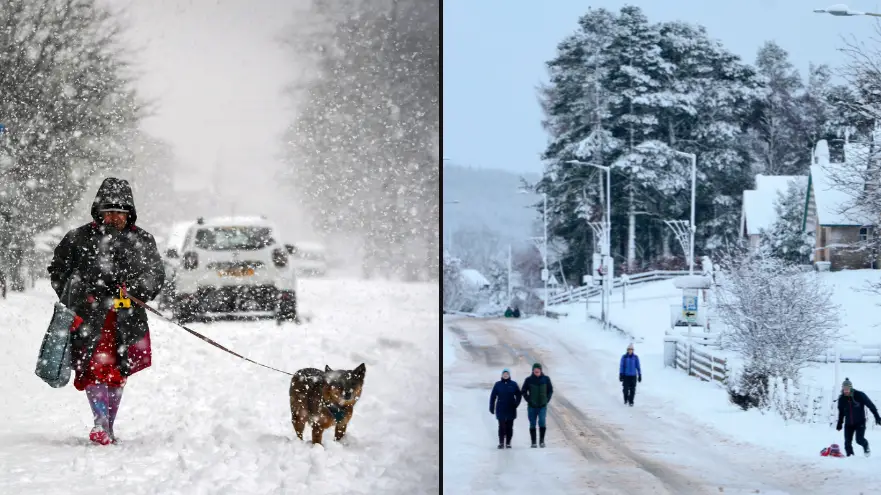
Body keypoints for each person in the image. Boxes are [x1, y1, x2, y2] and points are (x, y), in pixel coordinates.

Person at [47, 177, 165, 445]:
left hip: (127, 320)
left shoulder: (143, 240)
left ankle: (108, 425)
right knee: (94, 368)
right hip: (89, 318)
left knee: (119, 371)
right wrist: (80, 295)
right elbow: (58, 272)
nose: (114, 217)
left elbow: (155, 275)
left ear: (130, 213)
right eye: (109, 212)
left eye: (120, 213)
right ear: (98, 212)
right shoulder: (77, 238)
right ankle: (100, 422)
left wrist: (134, 290)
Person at [836, 377, 881, 457]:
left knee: (859, 440)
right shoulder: (842, 399)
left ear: (851, 388)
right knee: (847, 443)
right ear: (842, 389)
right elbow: (841, 413)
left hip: (860, 422)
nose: (845, 391)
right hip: (848, 424)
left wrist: (877, 417)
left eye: (847, 389)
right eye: (844, 389)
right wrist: (840, 423)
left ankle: (865, 445)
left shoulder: (859, 395)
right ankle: (850, 458)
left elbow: (871, 406)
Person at [521, 362, 553, 448]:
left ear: (540, 370)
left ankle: (542, 441)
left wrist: (546, 400)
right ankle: (533, 442)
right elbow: (523, 391)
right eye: (535, 370)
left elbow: (550, 390)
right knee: (532, 423)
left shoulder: (546, 379)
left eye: (538, 370)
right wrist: (529, 400)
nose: (536, 371)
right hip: (532, 406)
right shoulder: (528, 380)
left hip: (542, 406)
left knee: (542, 422)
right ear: (533, 371)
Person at [489, 368, 521, 449]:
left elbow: (518, 395)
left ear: (509, 375)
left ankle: (508, 443)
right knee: (501, 426)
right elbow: (493, 396)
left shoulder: (513, 384)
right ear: (502, 375)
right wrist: (491, 407)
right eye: (504, 374)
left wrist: (516, 403)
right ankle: (501, 442)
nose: (505, 375)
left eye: (507, 374)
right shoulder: (498, 384)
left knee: (509, 426)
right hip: (501, 408)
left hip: (511, 408)